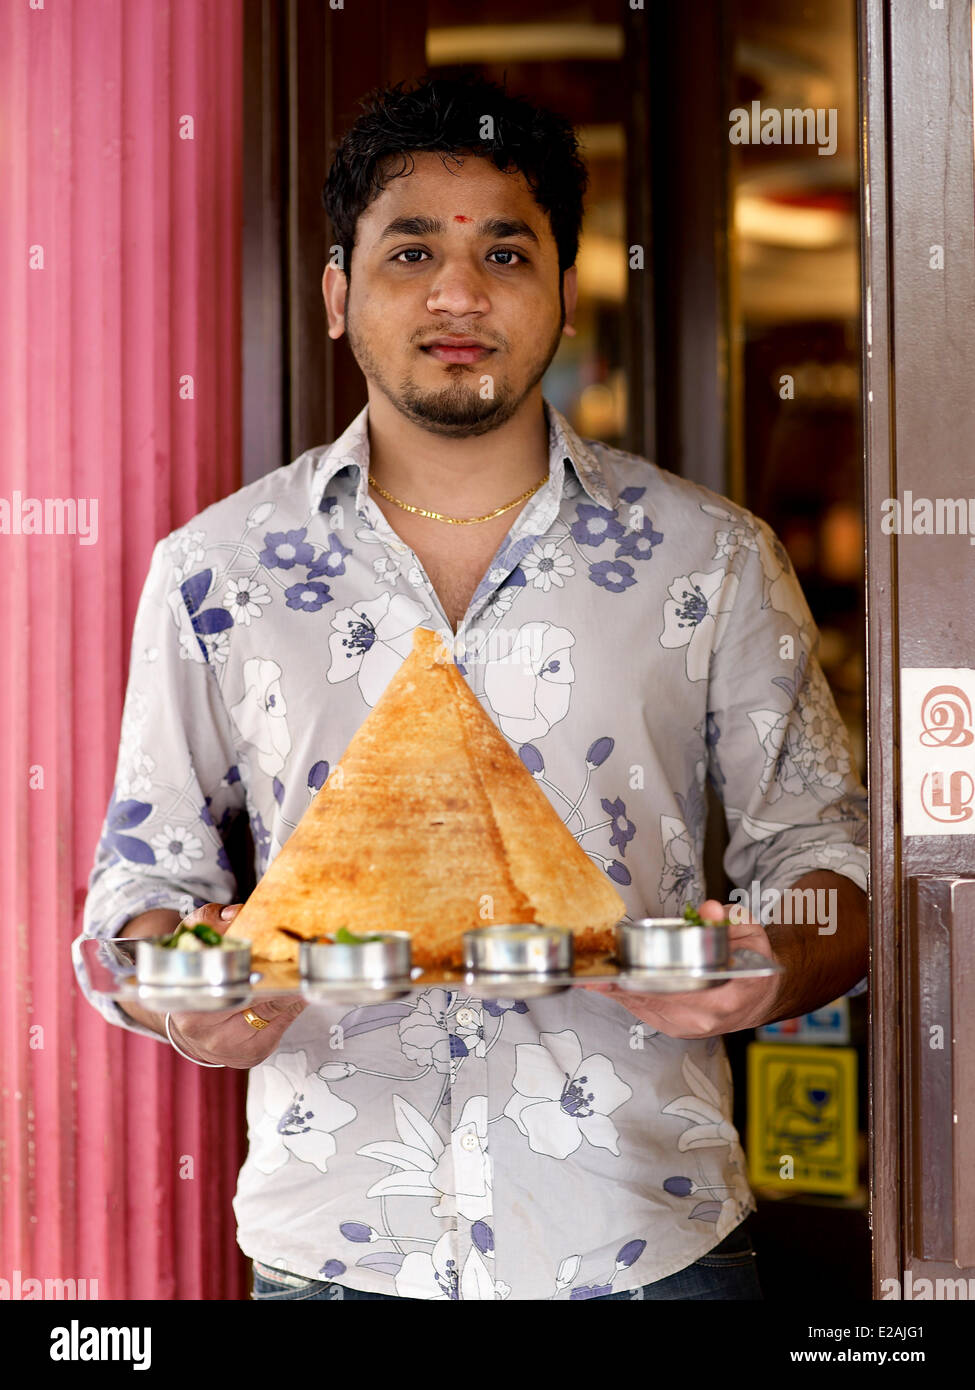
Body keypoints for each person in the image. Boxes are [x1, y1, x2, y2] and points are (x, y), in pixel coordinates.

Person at [73, 74, 869, 1301]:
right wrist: (183, 994)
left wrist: (778, 964)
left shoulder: (712, 557)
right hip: (334, 1246)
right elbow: (144, 880)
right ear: (339, 296)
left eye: (507, 249)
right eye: (410, 252)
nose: (459, 293)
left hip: (645, 1235)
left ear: (563, 290)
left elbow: (831, 857)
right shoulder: (213, 569)